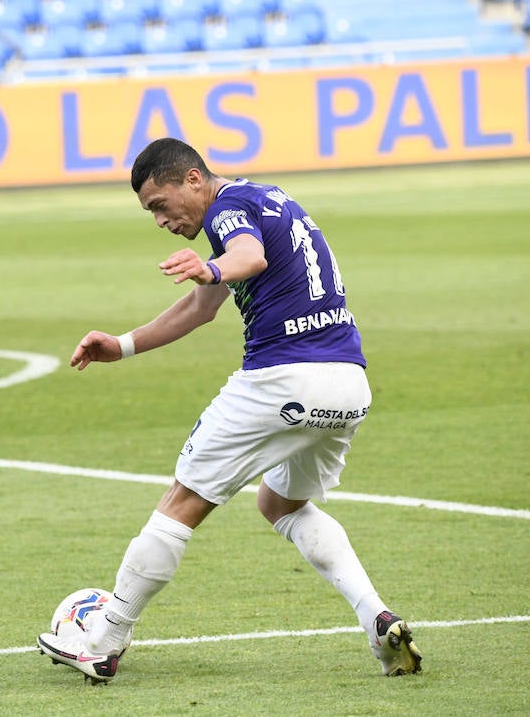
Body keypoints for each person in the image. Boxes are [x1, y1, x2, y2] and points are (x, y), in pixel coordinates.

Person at [36, 137, 422, 683]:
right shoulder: (266, 200)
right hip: (347, 385)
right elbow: (200, 308)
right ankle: (377, 618)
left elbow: (246, 258)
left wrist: (212, 268)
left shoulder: (226, 209)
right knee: (280, 504)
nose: (160, 221)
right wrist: (120, 345)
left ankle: (105, 636)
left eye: (160, 205)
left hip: (282, 377)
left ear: (193, 179)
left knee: (182, 500)